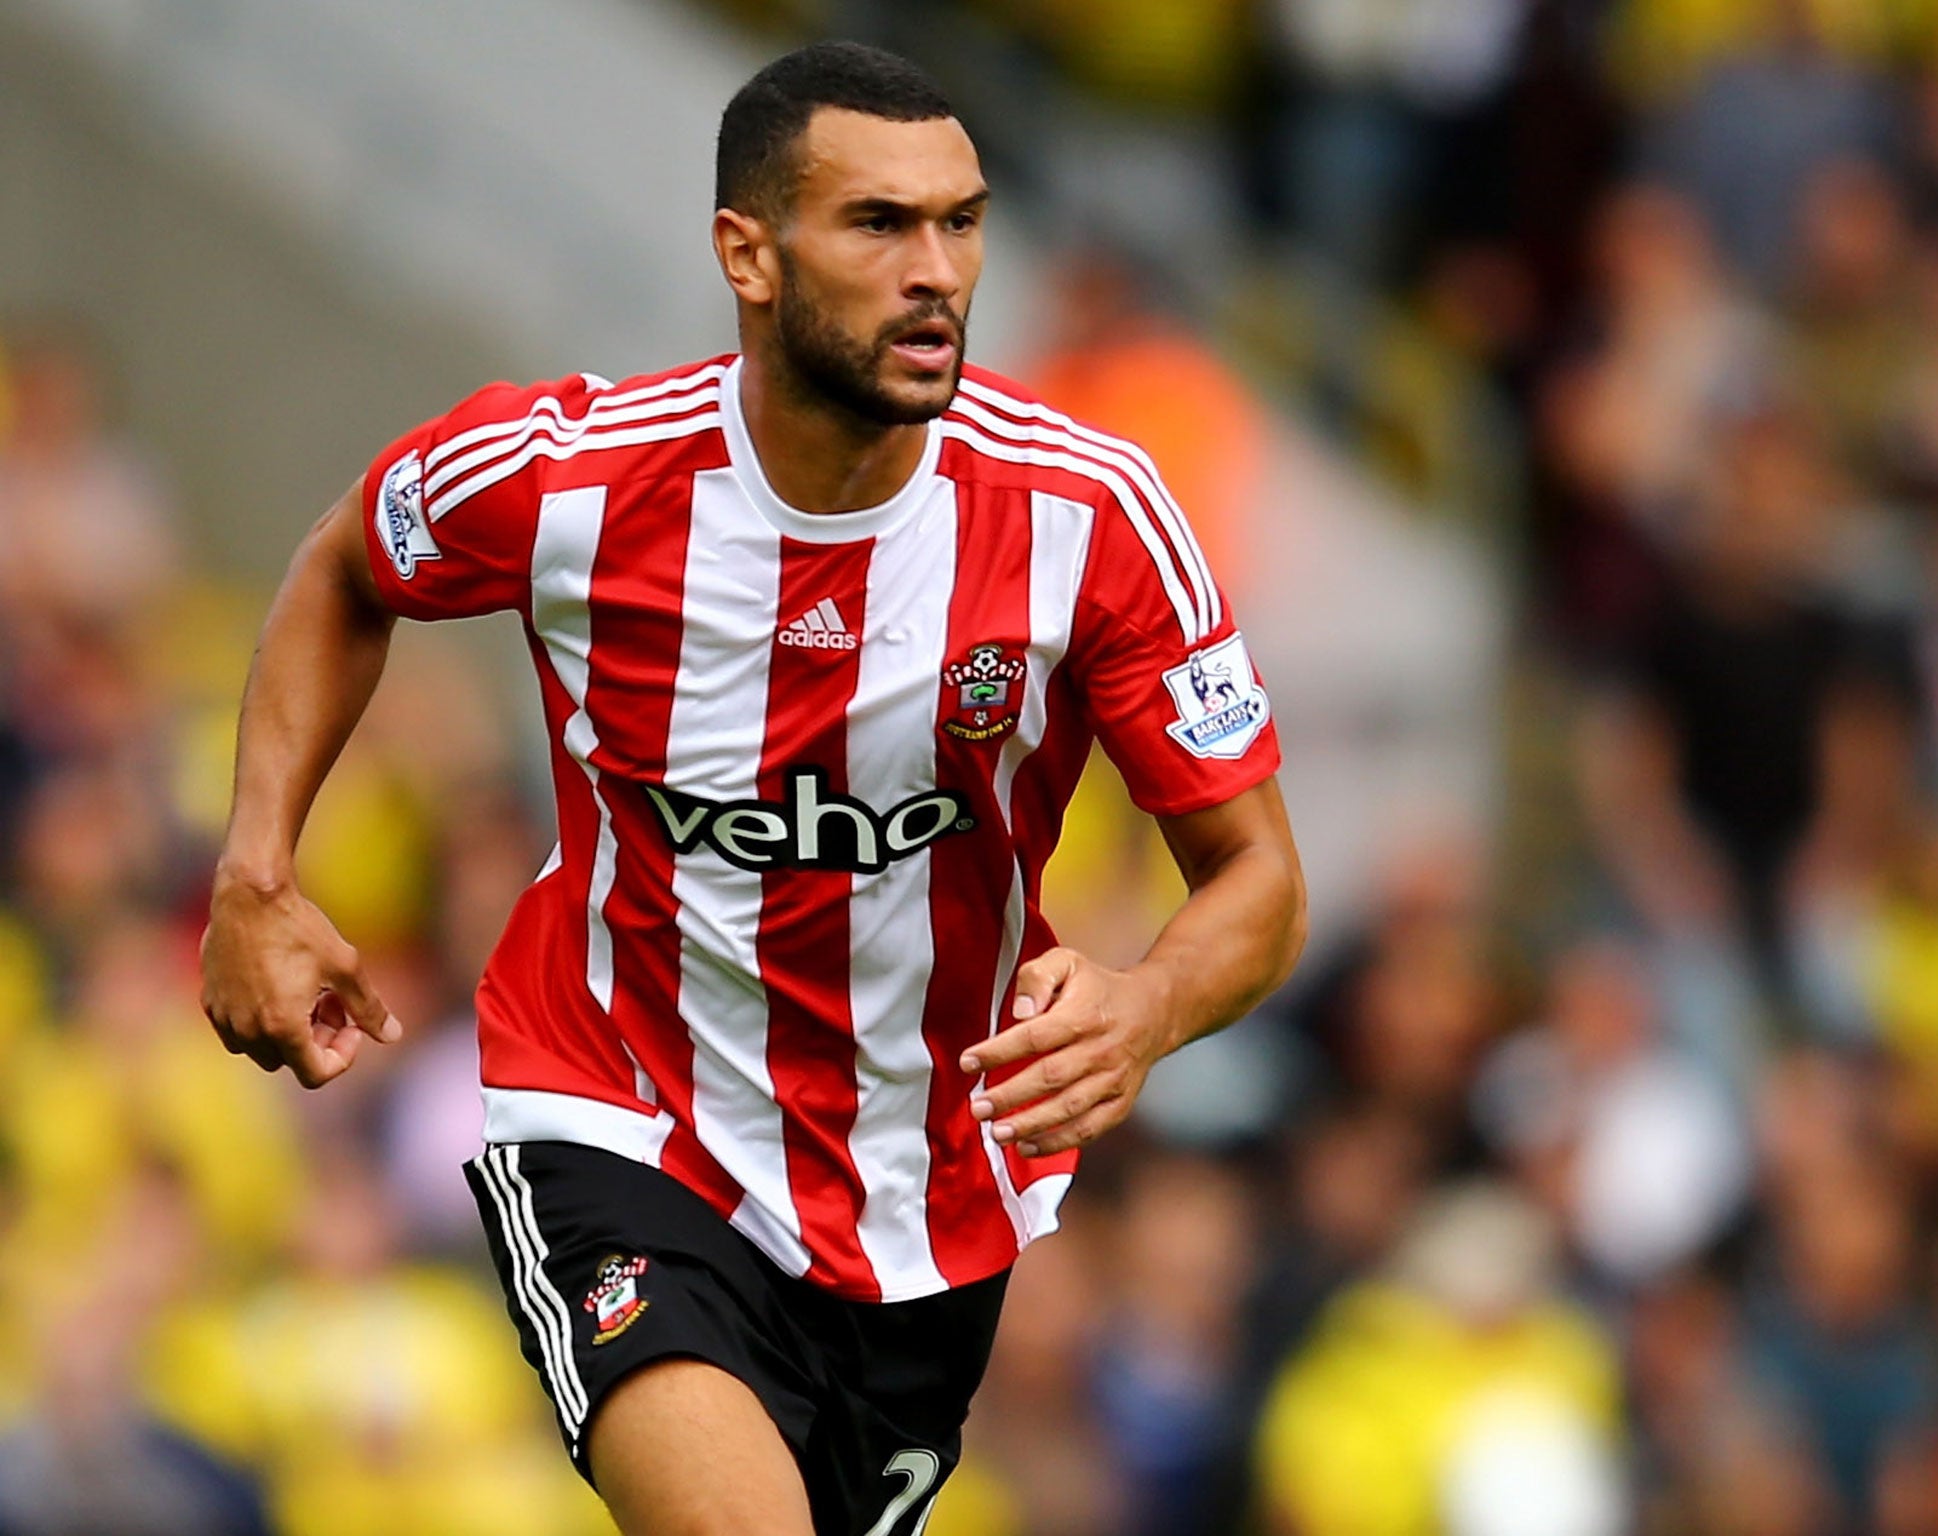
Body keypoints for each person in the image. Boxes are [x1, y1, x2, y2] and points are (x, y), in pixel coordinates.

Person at [197, 39, 1306, 1536]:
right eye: (879, 224)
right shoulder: (575, 478)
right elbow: (348, 563)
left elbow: (1258, 880)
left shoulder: (1089, 519)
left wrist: (1152, 1004)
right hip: (623, 1118)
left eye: (962, 222)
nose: (936, 272)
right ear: (750, 253)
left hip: (924, 1200)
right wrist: (256, 872)